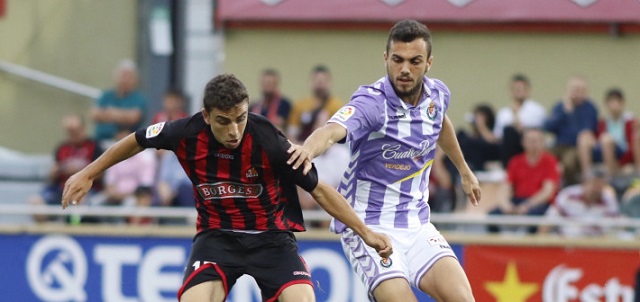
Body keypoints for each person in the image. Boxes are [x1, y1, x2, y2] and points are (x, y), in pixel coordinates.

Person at [62, 74, 392, 302]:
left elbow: (319, 189)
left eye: (241, 118)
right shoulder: (184, 132)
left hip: (272, 239)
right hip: (216, 237)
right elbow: (136, 140)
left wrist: (366, 232)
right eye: (224, 121)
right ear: (206, 115)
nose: (234, 130)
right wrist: (89, 173)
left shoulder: (268, 140)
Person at [287, 19, 480, 302]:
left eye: (414, 61)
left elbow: (440, 121)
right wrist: (308, 150)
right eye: (397, 60)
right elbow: (331, 131)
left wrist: (464, 169)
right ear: (386, 58)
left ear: (428, 63)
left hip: (416, 224)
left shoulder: (436, 95)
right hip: (368, 226)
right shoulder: (372, 103)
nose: (404, 69)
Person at [29, 114, 102, 222]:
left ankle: (74, 231)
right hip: (61, 189)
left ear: (83, 128)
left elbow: (101, 174)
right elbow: (52, 175)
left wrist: (81, 172)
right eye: (69, 131)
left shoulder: (95, 146)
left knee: (78, 200)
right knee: (35, 202)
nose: (72, 135)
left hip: (85, 189)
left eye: (75, 131)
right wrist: (55, 172)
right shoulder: (62, 148)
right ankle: (46, 234)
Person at [488, 128, 560, 233]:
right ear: (523, 143)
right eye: (530, 141)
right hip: (518, 199)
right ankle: (496, 247)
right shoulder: (515, 161)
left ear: (542, 142)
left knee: (534, 218)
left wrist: (527, 206)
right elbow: (506, 186)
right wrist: (505, 204)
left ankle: (531, 248)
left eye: (536, 141)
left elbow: (547, 192)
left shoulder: (550, 161)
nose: (533, 144)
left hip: (540, 203)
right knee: (492, 216)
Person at [544, 75, 598, 185]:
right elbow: (548, 127)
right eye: (575, 90)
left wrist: (572, 115)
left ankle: (570, 185)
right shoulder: (560, 107)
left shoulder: (590, 108)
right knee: (541, 156)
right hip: (558, 145)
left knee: (568, 162)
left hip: (575, 147)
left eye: (581, 90)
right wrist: (564, 111)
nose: (578, 94)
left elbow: (585, 131)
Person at [538, 168, 619, 237]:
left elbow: (613, 230)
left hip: (595, 248)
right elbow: (548, 221)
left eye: (601, 185)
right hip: (567, 245)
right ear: (584, 183)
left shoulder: (608, 200)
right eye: (594, 184)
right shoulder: (568, 195)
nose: (597, 189)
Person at [578, 88, 637, 177]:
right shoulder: (601, 123)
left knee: (606, 140)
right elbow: (596, 139)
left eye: (617, 102)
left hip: (622, 152)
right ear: (606, 104)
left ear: (622, 103)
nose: (614, 105)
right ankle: (587, 175)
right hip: (604, 150)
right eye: (612, 102)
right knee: (584, 137)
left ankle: (609, 176)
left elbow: (632, 145)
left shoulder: (630, 123)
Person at [493, 74, 546, 166]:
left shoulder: (537, 110)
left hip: (529, 146)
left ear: (528, 90)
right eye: (516, 89)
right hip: (507, 147)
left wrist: (516, 116)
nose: (518, 92)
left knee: (511, 131)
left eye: (521, 89)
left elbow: (537, 133)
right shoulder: (503, 113)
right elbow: (498, 135)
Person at [91, 59, 148, 144]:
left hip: (127, 144)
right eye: (122, 75)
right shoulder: (106, 95)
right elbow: (95, 114)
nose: (125, 79)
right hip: (101, 142)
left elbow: (133, 117)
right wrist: (123, 115)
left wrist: (108, 113)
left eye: (128, 76)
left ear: (135, 79)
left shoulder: (139, 98)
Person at [287, 65, 343, 143]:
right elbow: (292, 133)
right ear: (311, 83)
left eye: (323, 81)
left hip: (330, 146)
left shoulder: (336, 105)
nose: (320, 85)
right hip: (303, 145)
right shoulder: (300, 105)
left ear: (329, 83)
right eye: (317, 81)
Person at [457, 103, 501, 171]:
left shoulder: (494, 138)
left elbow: (493, 142)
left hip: (485, 167)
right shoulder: (468, 138)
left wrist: (481, 126)